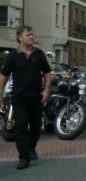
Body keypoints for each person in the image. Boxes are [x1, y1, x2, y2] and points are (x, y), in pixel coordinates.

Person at [0, 26, 52, 170]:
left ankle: (31, 148)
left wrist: (46, 90)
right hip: (19, 98)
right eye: (28, 35)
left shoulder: (39, 54)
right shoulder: (12, 56)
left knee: (36, 127)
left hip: (36, 98)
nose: (31, 37)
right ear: (20, 38)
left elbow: (48, 73)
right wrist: (0, 94)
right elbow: (3, 77)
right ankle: (24, 157)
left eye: (32, 34)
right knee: (21, 128)